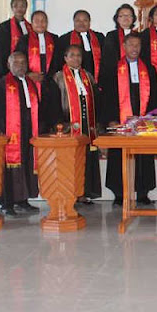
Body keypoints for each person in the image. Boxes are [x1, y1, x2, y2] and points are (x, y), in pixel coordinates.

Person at [0, 52, 53, 216]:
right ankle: (6, 203)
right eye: (16, 63)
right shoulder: (2, 84)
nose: (20, 66)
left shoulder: (30, 83)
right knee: (9, 168)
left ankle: (22, 200)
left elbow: (36, 108)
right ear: (9, 65)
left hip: (28, 131)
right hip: (10, 132)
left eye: (23, 62)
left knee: (27, 164)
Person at [100, 33, 157, 205]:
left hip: (143, 120)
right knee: (119, 155)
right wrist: (110, 119)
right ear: (124, 47)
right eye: (131, 45)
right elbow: (107, 97)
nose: (134, 48)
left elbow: (155, 94)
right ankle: (119, 193)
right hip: (120, 120)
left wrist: (152, 117)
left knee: (144, 156)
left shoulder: (148, 68)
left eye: (137, 45)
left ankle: (142, 192)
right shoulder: (113, 69)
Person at [53, 44, 101, 203]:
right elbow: (54, 104)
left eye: (78, 55)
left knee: (86, 158)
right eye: (71, 55)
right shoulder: (58, 77)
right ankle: (70, 193)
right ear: (65, 58)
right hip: (69, 126)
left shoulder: (88, 76)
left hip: (87, 126)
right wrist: (61, 123)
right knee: (71, 160)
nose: (76, 58)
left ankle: (84, 192)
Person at [0, 0, 32, 82]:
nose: (19, 9)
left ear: (26, 8)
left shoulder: (30, 27)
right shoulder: (4, 27)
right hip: (7, 69)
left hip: (25, 70)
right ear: (12, 8)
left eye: (22, 6)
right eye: (16, 6)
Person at [15, 10, 60, 94]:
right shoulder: (24, 40)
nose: (40, 23)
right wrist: (28, 74)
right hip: (30, 80)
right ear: (31, 23)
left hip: (51, 82)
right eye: (37, 21)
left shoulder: (55, 39)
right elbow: (18, 61)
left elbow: (59, 60)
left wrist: (52, 76)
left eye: (43, 21)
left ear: (47, 23)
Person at [57, 10, 105, 85]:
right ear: (74, 22)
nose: (81, 23)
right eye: (78, 20)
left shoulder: (99, 37)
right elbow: (59, 62)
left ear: (89, 22)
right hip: (73, 81)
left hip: (96, 80)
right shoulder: (64, 39)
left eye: (85, 20)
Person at [102, 4, 137, 76]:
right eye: (122, 15)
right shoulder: (111, 36)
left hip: (136, 71)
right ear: (117, 19)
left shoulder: (139, 36)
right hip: (115, 73)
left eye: (129, 15)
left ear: (133, 18)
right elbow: (107, 59)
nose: (126, 18)